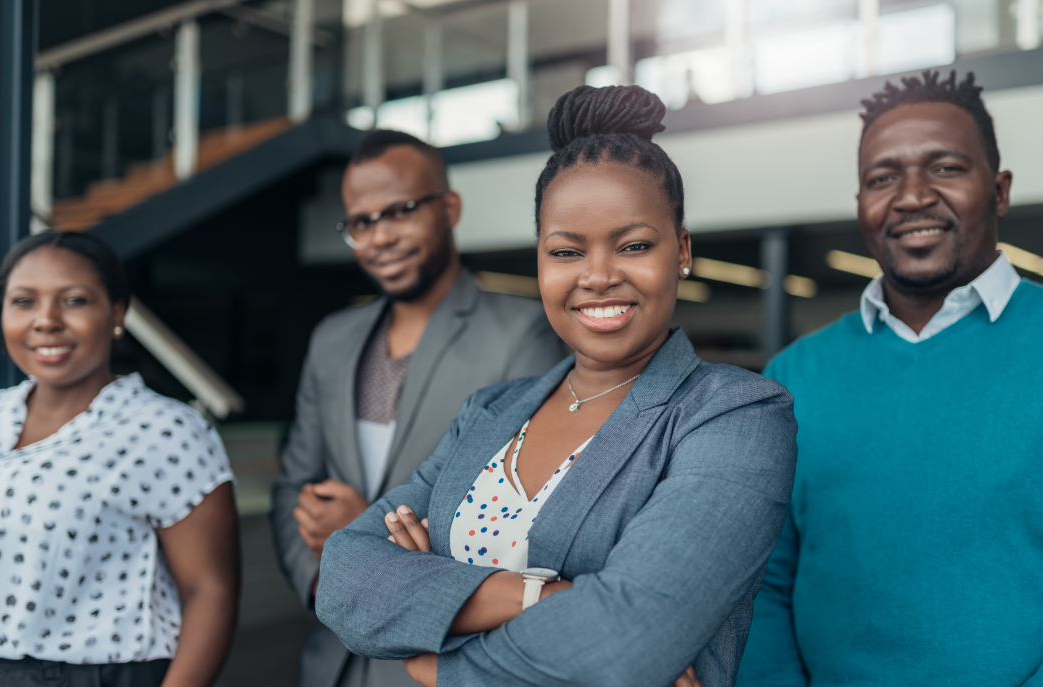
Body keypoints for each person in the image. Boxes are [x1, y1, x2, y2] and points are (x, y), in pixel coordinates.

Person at [314, 85, 798, 687]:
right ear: (541, 261)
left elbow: (627, 641)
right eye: (566, 250)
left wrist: (435, 659)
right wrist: (539, 595)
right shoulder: (489, 413)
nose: (597, 276)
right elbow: (345, 572)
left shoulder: (735, 416)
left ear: (683, 252)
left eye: (634, 245)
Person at [737, 71, 1043, 686]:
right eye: (882, 178)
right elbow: (762, 591)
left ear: (998, 191)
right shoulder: (792, 378)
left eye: (945, 168)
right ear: (861, 205)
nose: (912, 196)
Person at [272, 129, 564, 687]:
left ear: (448, 208)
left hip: (447, 658)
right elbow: (294, 486)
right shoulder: (332, 338)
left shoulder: (523, 334)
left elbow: (530, 513)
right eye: (362, 221)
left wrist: (366, 534)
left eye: (400, 211)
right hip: (331, 658)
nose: (380, 236)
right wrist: (331, 582)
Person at [0, 231, 239, 686]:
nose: (46, 321)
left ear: (117, 313)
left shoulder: (164, 430)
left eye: (73, 301)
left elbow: (210, 592)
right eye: (23, 302)